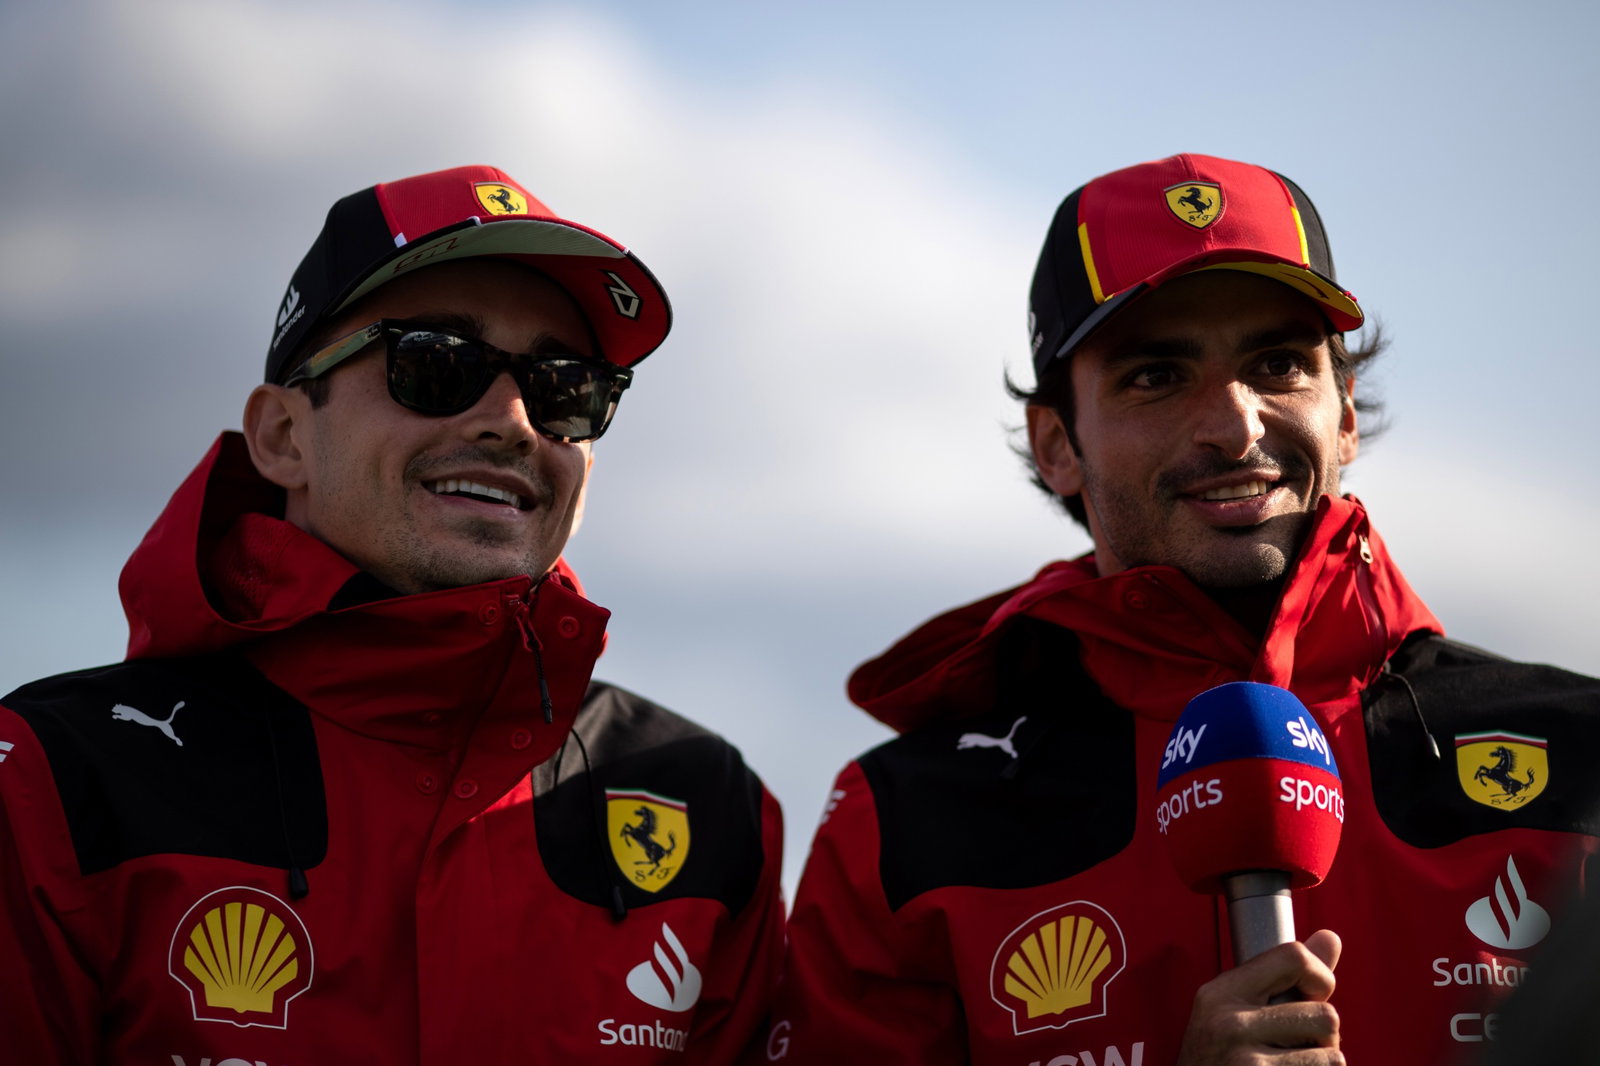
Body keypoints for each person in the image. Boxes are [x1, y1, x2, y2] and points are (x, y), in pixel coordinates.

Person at [761, 154, 1600, 1065]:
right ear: (1058, 447)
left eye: (1278, 362)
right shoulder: (900, 823)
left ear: (1346, 412)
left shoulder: (1584, 754)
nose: (1236, 426)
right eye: (1156, 376)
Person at [0, 165, 783, 1063]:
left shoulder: (710, 804)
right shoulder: (48, 783)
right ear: (283, 437)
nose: (516, 421)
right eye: (436, 363)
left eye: (567, 387)